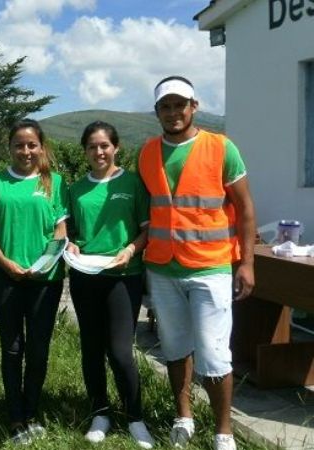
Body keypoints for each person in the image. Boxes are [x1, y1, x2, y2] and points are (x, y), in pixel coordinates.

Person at [139, 76, 255, 450]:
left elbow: (246, 209)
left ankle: (223, 431)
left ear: (194, 107)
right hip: (162, 267)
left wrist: (247, 263)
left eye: (179, 105)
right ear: (157, 111)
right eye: (165, 106)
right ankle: (183, 417)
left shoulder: (221, 148)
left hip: (210, 267)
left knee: (214, 352)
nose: (173, 112)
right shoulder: (146, 153)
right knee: (174, 347)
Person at [0, 118, 67, 445]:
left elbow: (60, 231)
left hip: (45, 278)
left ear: (41, 147)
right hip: (4, 277)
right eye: (19, 145)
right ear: (9, 148)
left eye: (32, 145)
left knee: (39, 349)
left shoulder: (53, 182)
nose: (25, 151)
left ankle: (32, 412)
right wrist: (5, 262)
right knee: (12, 348)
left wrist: (46, 262)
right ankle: (15, 417)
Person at [65, 121, 154, 448]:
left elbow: (146, 230)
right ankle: (100, 412)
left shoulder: (132, 183)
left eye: (104, 145)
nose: (99, 152)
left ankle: (135, 417)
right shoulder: (75, 189)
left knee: (119, 351)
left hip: (123, 276)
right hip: (85, 276)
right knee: (91, 347)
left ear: (115, 148)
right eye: (92, 146)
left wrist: (130, 249)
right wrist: (71, 245)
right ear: (85, 151)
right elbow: (69, 232)